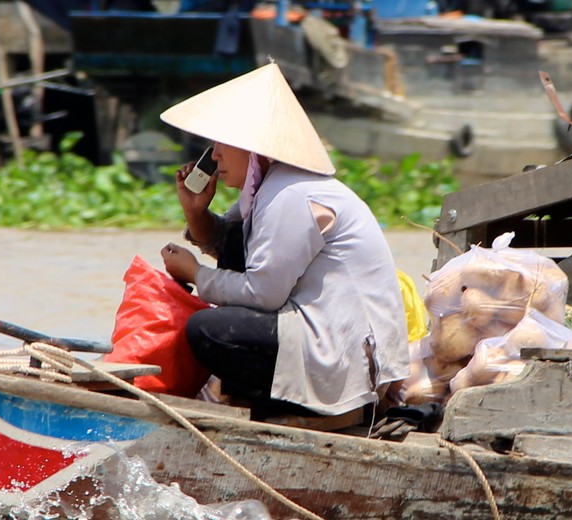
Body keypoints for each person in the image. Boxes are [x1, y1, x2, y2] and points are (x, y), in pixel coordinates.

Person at [158, 63, 408, 421]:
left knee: (205, 330)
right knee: (233, 244)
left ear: (252, 146)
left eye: (222, 144)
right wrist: (195, 211)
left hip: (343, 352)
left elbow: (264, 294)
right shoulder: (269, 189)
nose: (213, 156)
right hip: (326, 333)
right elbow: (229, 242)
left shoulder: (290, 195)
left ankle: (318, 412)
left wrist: (196, 274)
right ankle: (268, 402)